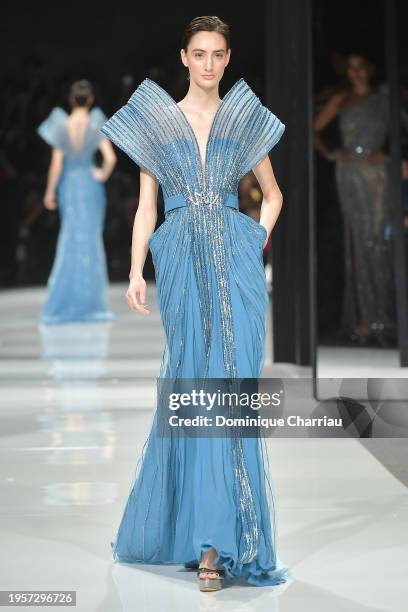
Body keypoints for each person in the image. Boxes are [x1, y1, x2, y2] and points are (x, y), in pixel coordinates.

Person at [101, 16, 290, 591]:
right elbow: (145, 206)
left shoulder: (242, 120)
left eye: (218, 55)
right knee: (189, 381)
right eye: (199, 54)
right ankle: (202, 533)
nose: (208, 64)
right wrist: (136, 269)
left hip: (233, 262)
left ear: (228, 59)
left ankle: (213, 548)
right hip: (181, 263)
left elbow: (274, 194)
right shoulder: (160, 123)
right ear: (183, 58)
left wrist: (254, 239)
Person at [314, 53, 396, 346]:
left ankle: (385, 318)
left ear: (370, 69)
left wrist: (388, 153)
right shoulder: (342, 99)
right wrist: (332, 153)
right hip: (350, 173)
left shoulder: (385, 97)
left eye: (362, 67)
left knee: (380, 241)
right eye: (352, 68)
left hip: (379, 172)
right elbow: (314, 129)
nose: (357, 73)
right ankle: (364, 320)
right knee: (359, 242)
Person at [37, 79, 116, 324]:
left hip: (70, 185)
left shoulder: (60, 124)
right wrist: (101, 174)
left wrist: (49, 191)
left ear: (71, 99)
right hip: (90, 184)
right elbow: (110, 159)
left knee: (70, 238)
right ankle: (90, 301)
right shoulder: (96, 122)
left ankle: (66, 299)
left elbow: (57, 164)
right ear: (90, 99)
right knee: (91, 239)